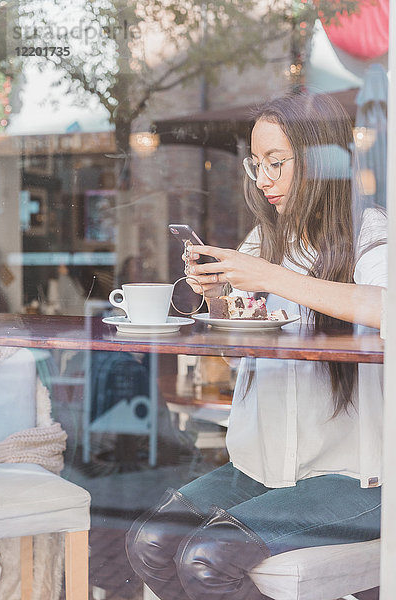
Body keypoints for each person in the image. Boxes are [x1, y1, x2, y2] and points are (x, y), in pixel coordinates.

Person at [125, 92, 387, 600]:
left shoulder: (369, 232)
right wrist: (221, 301)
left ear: (320, 161)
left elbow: (387, 307)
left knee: (207, 559)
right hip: (265, 468)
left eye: (276, 162)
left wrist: (271, 276)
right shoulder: (262, 240)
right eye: (256, 163)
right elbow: (236, 352)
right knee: (150, 543)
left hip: (358, 478)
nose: (262, 178)